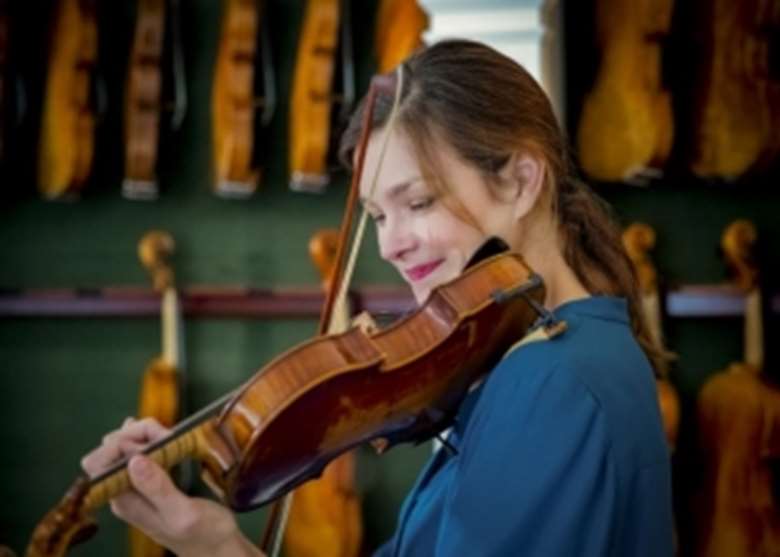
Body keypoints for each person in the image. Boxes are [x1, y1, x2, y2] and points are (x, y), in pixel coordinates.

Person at [81, 39, 674, 556]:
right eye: (376, 215)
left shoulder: (550, 379)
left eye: (417, 202)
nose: (389, 244)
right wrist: (211, 543)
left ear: (520, 181)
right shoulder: (557, 352)